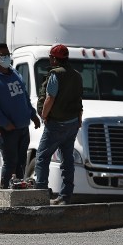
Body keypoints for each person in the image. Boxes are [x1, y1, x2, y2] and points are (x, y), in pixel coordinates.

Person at [0, 43, 41, 189]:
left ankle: (18, 191)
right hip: (6, 129)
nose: (6, 58)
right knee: (10, 162)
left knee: (21, 163)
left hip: (22, 127)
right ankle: (4, 192)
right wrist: (4, 123)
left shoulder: (14, 73)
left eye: (7, 55)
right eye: (3, 55)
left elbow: (24, 97)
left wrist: (32, 114)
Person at [34, 44, 83, 205]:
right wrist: (78, 120)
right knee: (67, 160)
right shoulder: (76, 75)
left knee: (42, 156)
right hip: (73, 123)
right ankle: (65, 196)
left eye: (50, 57)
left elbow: (50, 98)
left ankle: (40, 192)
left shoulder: (56, 75)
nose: (50, 60)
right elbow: (78, 101)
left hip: (57, 124)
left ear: (54, 59)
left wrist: (44, 115)